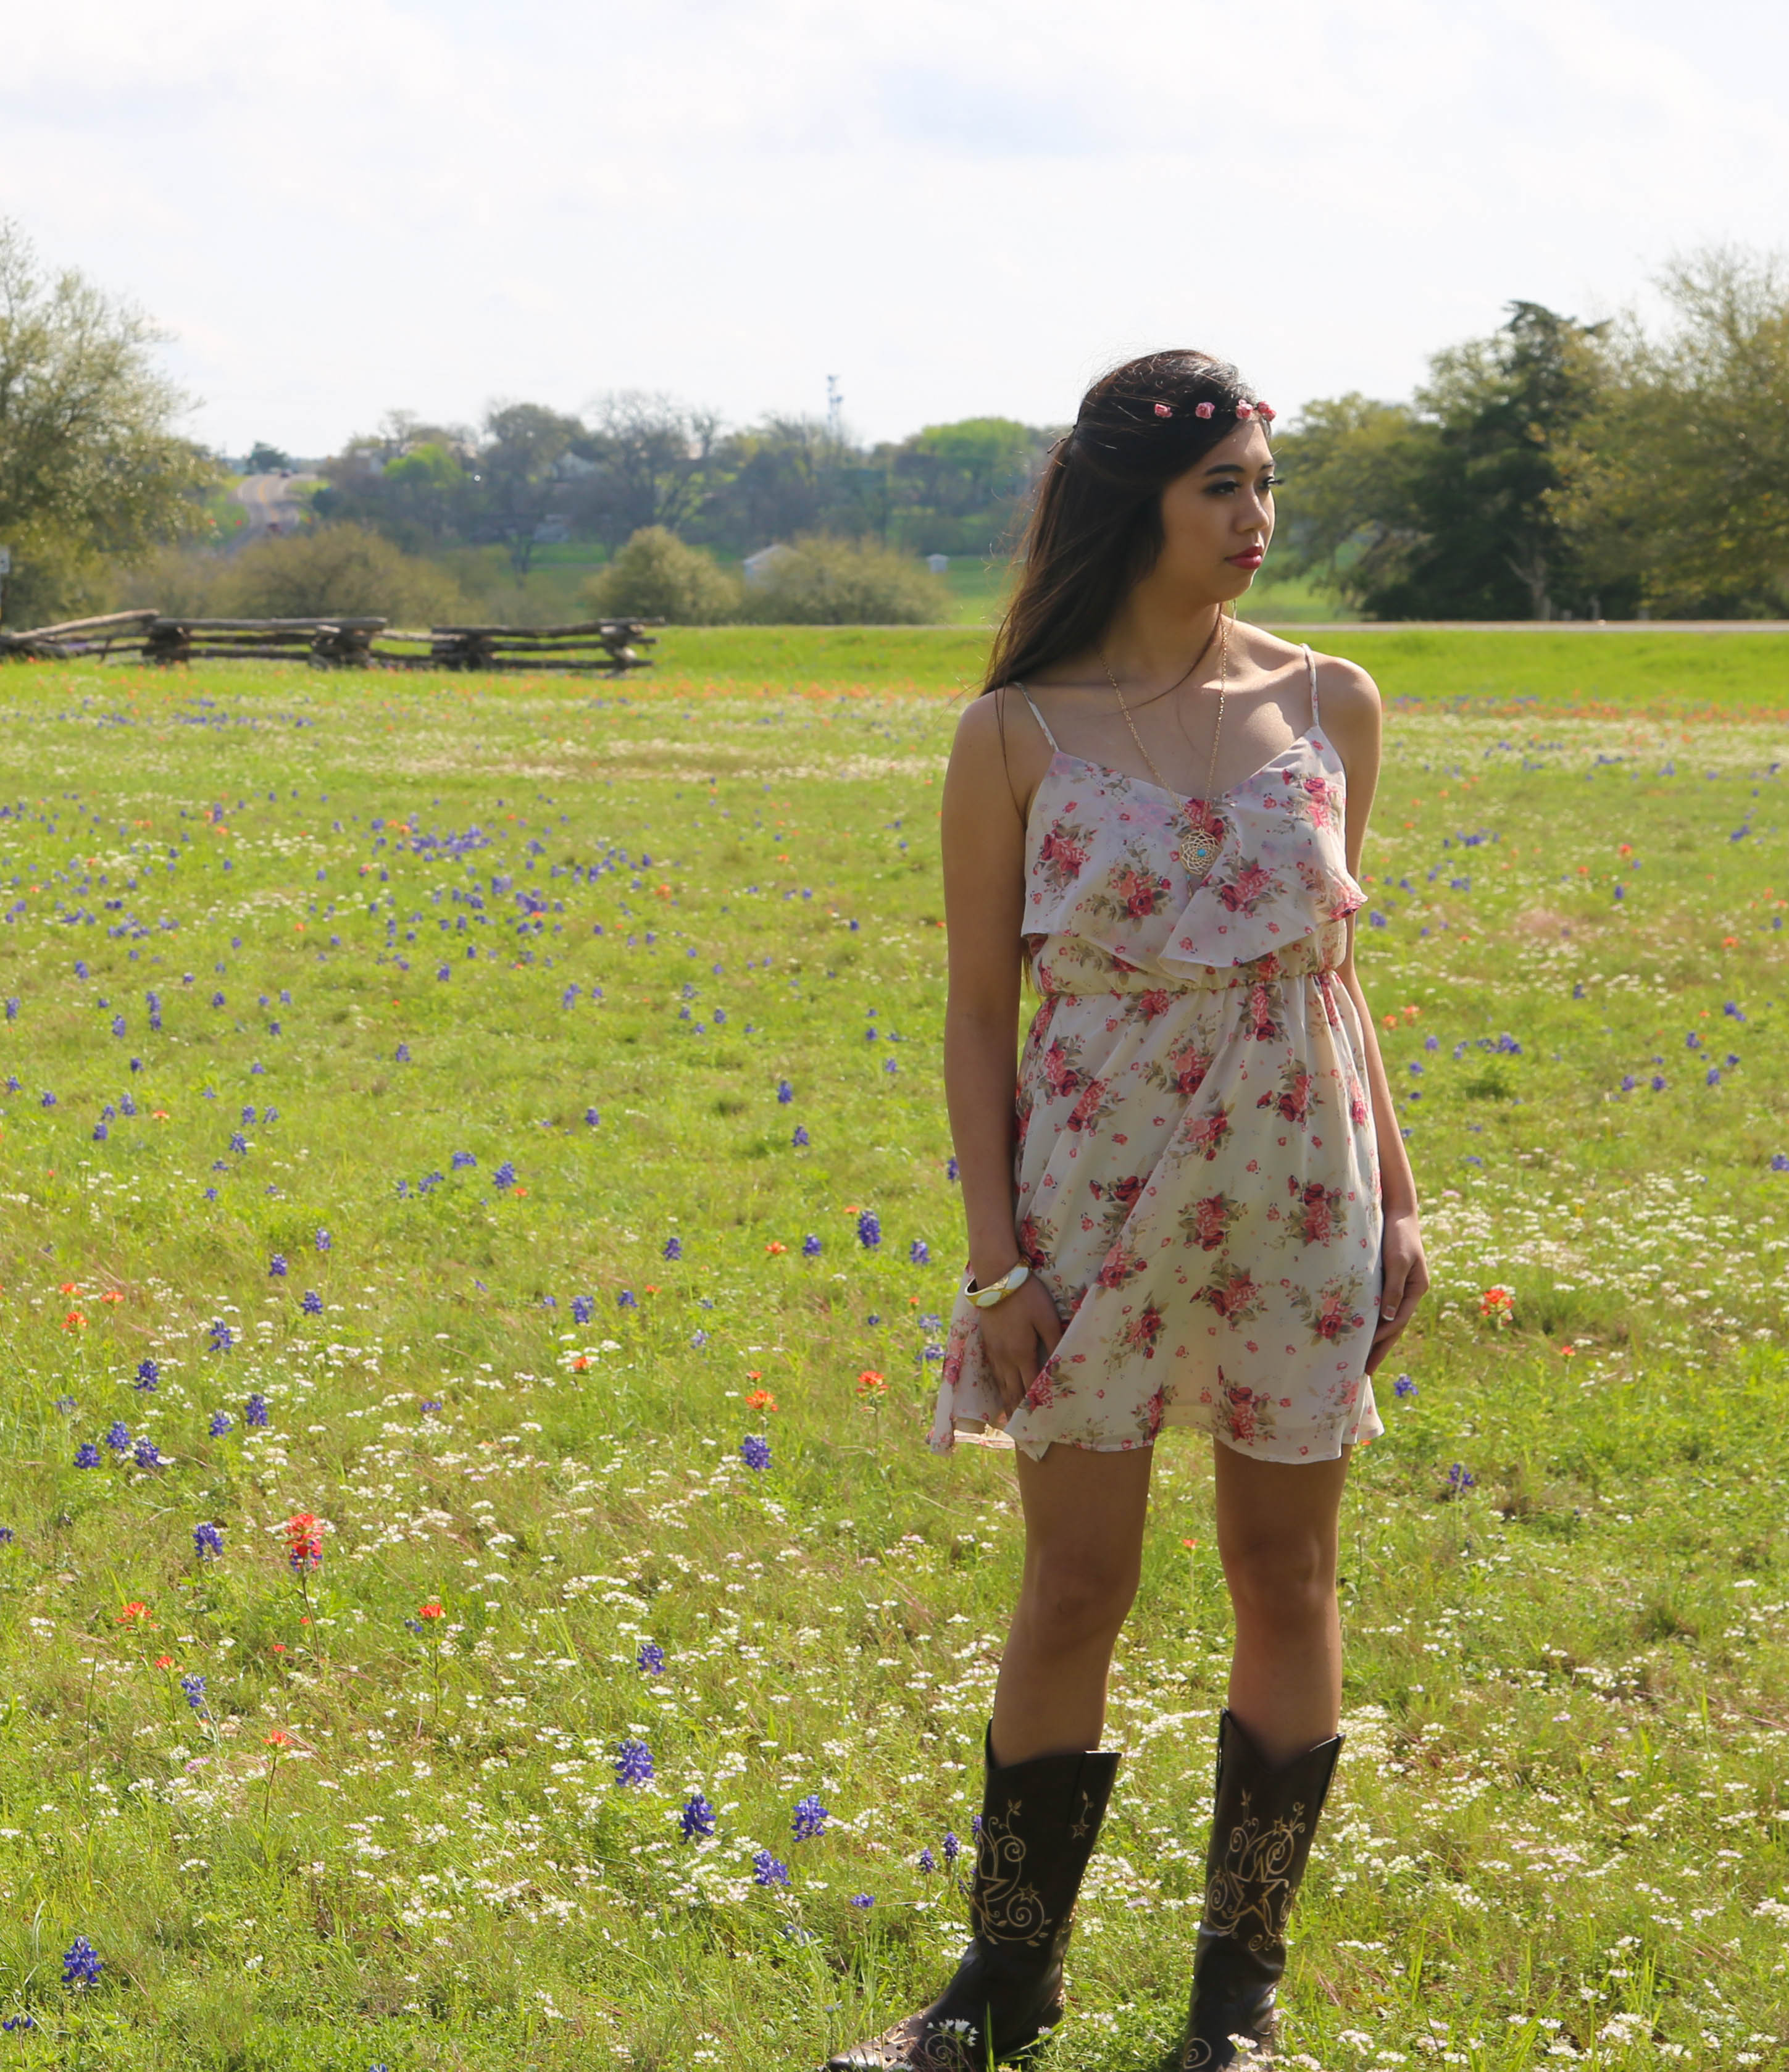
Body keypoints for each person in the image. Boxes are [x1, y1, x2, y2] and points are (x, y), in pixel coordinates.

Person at [827, 351, 1429, 2072]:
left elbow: (1335, 965)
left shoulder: (1332, 702)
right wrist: (993, 1257)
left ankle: (1230, 2014)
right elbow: (968, 1009)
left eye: (1262, 486)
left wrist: (1395, 1195)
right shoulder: (1011, 730)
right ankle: (998, 1993)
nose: (1253, 521)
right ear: (1130, 509)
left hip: (1294, 1184)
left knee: (1285, 1574)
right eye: (1219, 490)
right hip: (1087, 1196)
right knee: (1073, 1581)